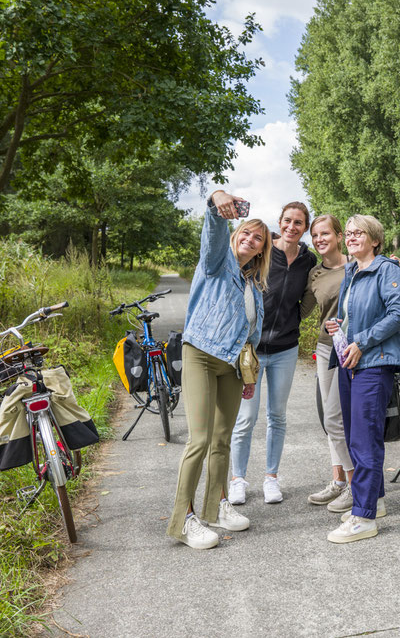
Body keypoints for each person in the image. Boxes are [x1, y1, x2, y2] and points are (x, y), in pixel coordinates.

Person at [167, 190, 270, 550]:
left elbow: (251, 336)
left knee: (222, 439)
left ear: (261, 250)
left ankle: (215, 507)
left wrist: (249, 376)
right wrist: (216, 202)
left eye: (258, 238)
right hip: (200, 354)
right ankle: (183, 520)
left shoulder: (253, 286)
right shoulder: (216, 260)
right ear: (235, 235)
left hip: (232, 365)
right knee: (199, 440)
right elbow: (212, 229)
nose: (250, 239)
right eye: (246, 233)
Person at [325, 214, 400, 544]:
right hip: (350, 361)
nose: (351, 238)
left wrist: (362, 342)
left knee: (364, 439)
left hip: (374, 362)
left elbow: (398, 315)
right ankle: (376, 500)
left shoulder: (386, 268)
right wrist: (340, 325)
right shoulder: (352, 271)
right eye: (348, 234)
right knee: (354, 435)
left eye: (359, 233)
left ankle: (363, 518)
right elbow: (354, 314)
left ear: (375, 239)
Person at [227, 202, 317, 505]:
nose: (292, 227)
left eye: (299, 223)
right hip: (251, 350)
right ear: (280, 222)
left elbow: (324, 282)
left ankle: (271, 478)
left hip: (285, 350)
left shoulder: (308, 260)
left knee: (277, 416)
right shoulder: (264, 252)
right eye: (288, 221)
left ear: (305, 227)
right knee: (246, 418)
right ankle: (238, 478)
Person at [300, 214, 355, 512]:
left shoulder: (357, 263)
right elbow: (301, 310)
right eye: (315, 235)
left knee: (337, 418)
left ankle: (355, 483)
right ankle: (339, 482)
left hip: (358, 348)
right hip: (326, 349)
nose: (320, 239)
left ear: (338, 235)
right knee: (331, 419)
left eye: (325, 233)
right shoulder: (315, 274)